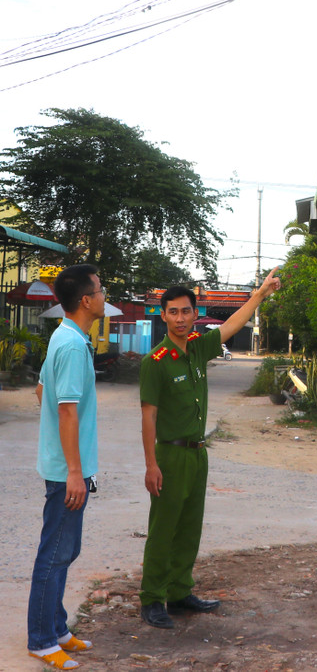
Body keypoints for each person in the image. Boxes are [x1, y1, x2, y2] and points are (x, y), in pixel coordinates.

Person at [139, 268, 281, 628]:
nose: (180, 318)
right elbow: (148, 418)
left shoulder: (199, 348)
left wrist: (260, 294)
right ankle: (153, 598)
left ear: (193, 313)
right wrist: (151, 465)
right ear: (163, 315)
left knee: (189, 527)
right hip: (169, 455)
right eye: (173, 312)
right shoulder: (155, 362)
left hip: (197, 453)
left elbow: (233, 325)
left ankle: (179, 591)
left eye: (186, 311)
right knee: (163, 528)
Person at [27, 264, 107, 670]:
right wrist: (73, 470)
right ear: (86, 300)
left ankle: (56, 628)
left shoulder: (64, 336)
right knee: (54, 554)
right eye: (100, 288)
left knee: (65, 550)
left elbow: (42, 389)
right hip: (66, 473)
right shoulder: (73, 345)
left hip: (62, 465)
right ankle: (41, 641)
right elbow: (67, 411)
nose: (105, 293)